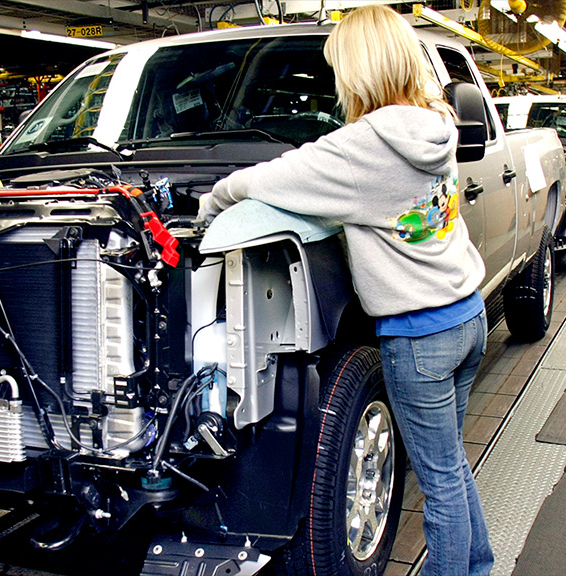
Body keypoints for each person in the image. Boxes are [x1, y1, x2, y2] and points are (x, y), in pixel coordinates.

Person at [197, 6, 492, 575]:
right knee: (451, 466)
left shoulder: (362, 148)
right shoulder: (435, 122)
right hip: (467, 315)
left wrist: (211, 205)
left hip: (420, 336)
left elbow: (266, 179)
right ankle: (477, 564)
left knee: (438, 485)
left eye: (338, 69)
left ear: (357, 72)